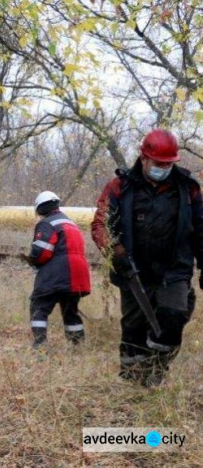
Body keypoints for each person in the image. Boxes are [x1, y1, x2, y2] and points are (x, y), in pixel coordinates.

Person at [91, 129, 203, 386]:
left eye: (168, 163)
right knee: (133, 328)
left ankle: (155, 371)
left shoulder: (188, 189)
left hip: (174, 270)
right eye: (158, 163)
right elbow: (101, 224)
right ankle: (133, 381)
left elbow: (201, 228)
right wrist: (114, 250)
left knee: (173, 318)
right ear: (144, 158)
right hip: (133, 271)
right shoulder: (119, 186)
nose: (164, 168)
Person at [26, 191, 91, 348]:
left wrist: (33, 260)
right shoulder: (71, 223)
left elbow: (41, 252)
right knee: (70, 310)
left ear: (40, 208)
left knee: (39, 306)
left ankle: (40, 345)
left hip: (58, 273)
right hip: (78, 275)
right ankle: (77, 346)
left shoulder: (47, 223)